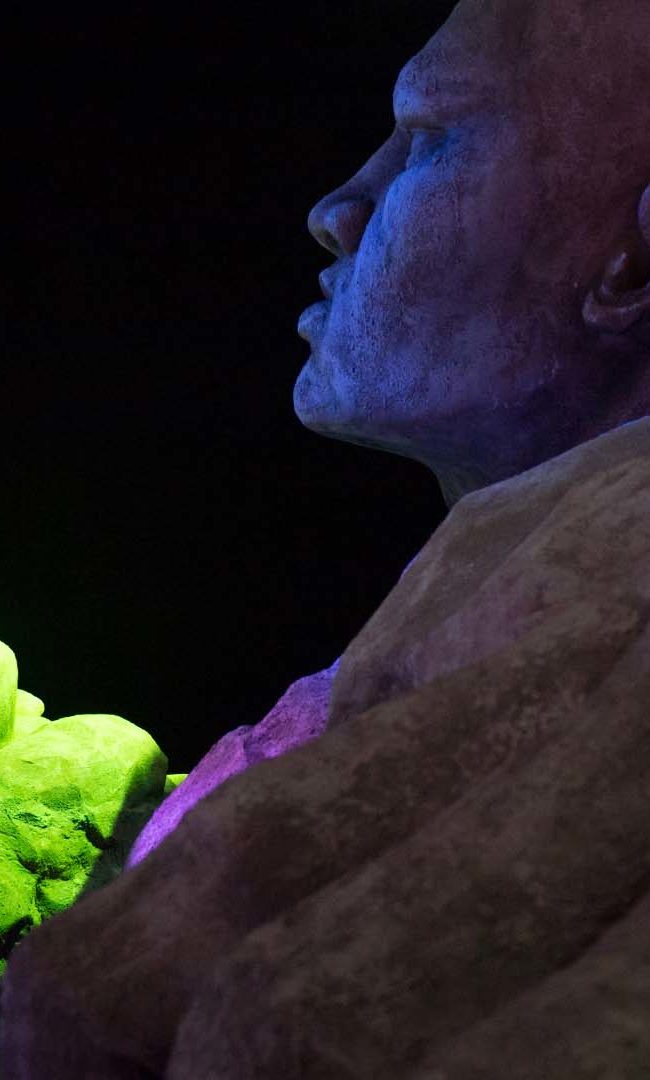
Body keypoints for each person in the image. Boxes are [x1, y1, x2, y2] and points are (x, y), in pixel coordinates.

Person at [3, 0, 650, 1074]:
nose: (336, 210)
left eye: (429, 136)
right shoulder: (497, 609)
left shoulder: (613, 589)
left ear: (634, 261)